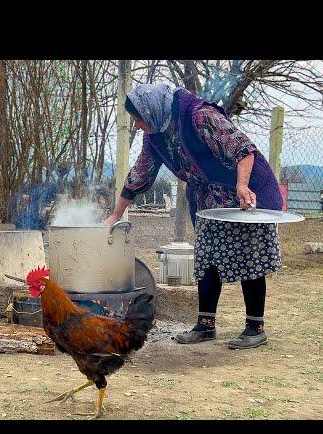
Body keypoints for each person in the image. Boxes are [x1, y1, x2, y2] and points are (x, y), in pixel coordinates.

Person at [105, 83, 283, 349]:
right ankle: (206, 325)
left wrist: (242, 185)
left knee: (249, 256)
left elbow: (244, 150)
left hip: (244, 196)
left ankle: (255, 327)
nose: (137, 126)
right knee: (207, 258)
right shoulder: (155, 136)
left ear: (151, 111)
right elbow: (140, 175)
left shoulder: (199, 116)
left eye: (138, 120)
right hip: (208, 201)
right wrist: (116, 214)